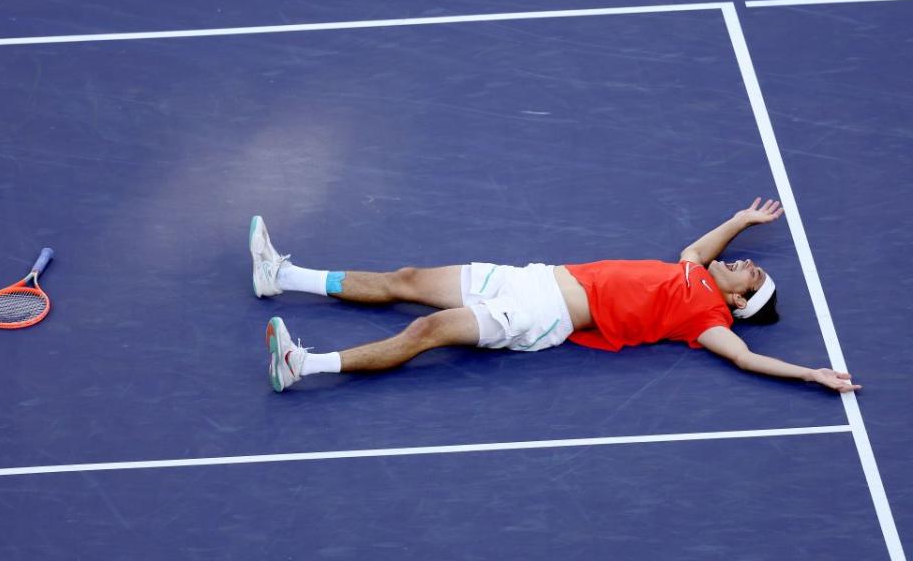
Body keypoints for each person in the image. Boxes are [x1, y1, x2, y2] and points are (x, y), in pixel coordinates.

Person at [249, 198, 860, 394]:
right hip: (532, 276)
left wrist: (810, 374)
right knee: (407, 279)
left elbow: (746, 359)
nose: (746, 264)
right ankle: (282, 276)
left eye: (751, 277)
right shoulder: (693, 270)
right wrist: (741, 220)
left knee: (426, 332)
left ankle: (304, 365)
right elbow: (700, 249)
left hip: (541, 314)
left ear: (737, 306)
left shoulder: (704, 319)